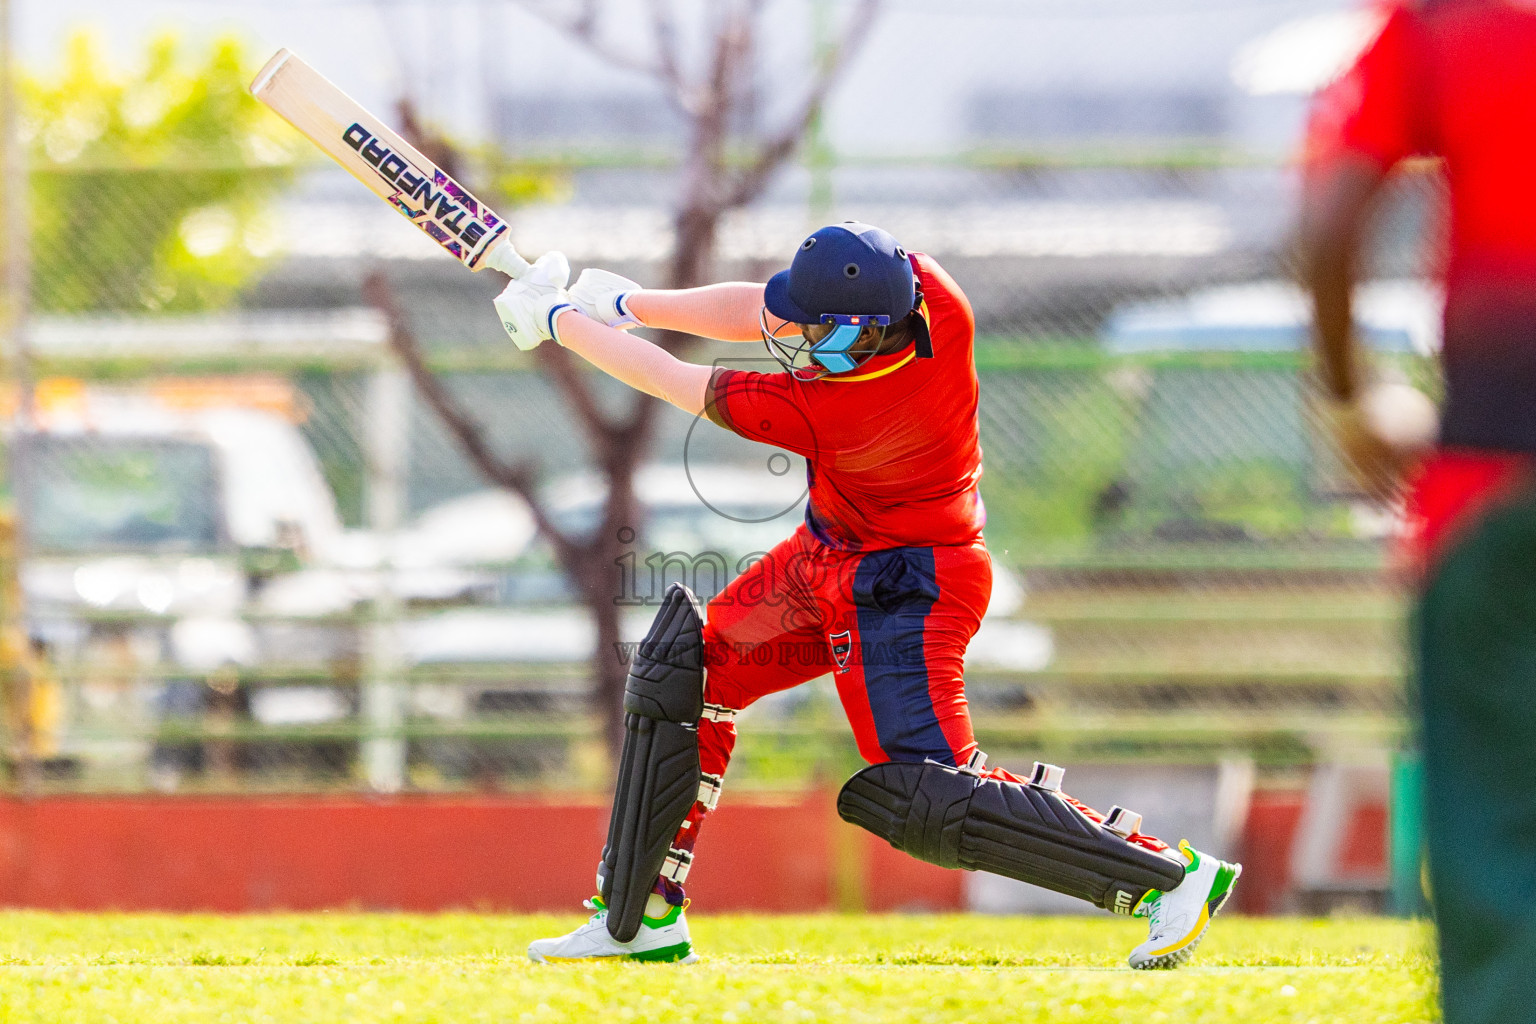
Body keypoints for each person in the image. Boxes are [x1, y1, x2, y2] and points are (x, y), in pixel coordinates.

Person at [492, 222, 1240, 968]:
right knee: (687, 671)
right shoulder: (931, 298)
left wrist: (561, 323)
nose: (799, 335)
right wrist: (631, 303)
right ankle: (639, 919)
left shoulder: (830, 407)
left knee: (929, 792)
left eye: (820, 328)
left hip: (909, 584)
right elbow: (765, 309)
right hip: (823, 558)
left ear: (865, 329)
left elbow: (678, 383)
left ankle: (1168, 880)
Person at [1299, 3, 1536, 1021]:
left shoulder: (1448, 21)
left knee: (1495, 848)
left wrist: (1356, 397)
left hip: (1496, 484)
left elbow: (1329, 218)